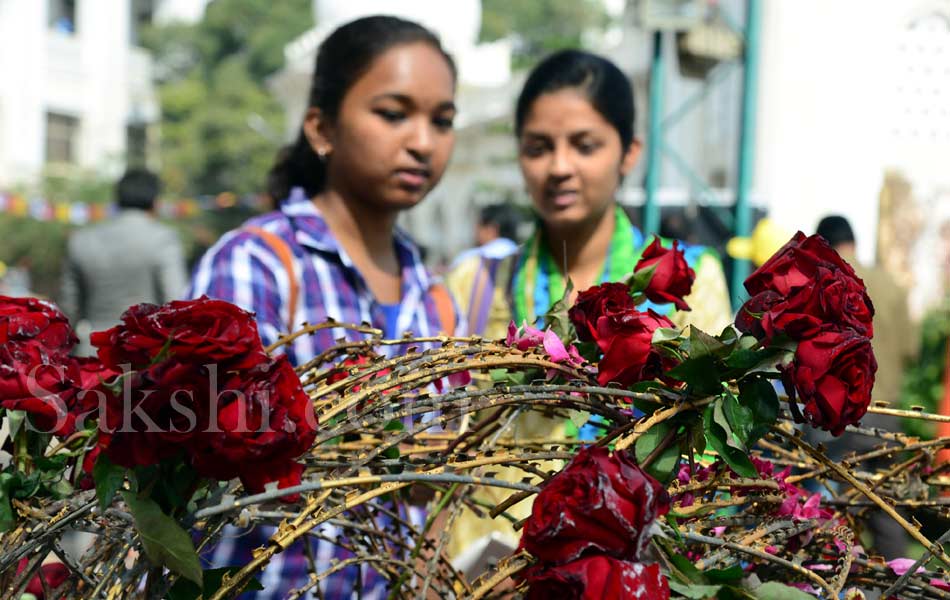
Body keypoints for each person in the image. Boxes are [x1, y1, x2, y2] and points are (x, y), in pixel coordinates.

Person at [188, 16, 459, 599]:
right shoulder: (256, 265)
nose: (422, 141)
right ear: (322, 127)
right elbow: (211, 455)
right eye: (393, 113)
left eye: (442, 121)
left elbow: (437, 489)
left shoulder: (435, 296)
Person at [443, 49, 732, 562]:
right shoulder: (476, 284)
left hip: (621, 569)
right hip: (487, 573)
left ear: (629, 152)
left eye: (585, 145)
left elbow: (708, 451)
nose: (559, 167)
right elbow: (450, 440)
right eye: (538, 147)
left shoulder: (685, 285)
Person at [815, 215, 915, 558]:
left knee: (842, 509)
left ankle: (839, 581)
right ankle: (897, 586)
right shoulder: (889, 284)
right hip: (888, 414)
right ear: (854, 242)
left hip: (841, 415)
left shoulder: (826, 286)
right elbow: (910, 350)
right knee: (888, 508)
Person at [60, 168, 187, 343]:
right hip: (144, 351)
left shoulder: (81, 240)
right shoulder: (163, 239)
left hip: (92, 349)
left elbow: (69, 308)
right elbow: (175, 301)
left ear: (117, 199)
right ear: (155, 201)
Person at [450, 203, 522, 268]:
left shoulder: (469, 258)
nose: (475, 232)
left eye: (478, 226)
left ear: (490, 230)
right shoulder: (523, 257)